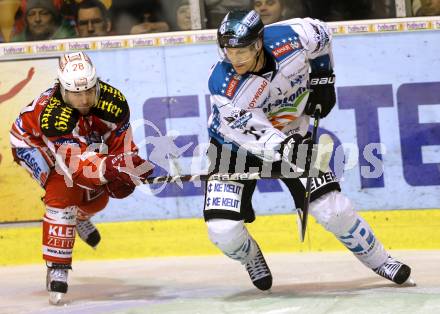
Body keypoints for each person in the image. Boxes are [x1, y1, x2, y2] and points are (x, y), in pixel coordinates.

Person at [204, 10, 414, 291]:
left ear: (258, 43)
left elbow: (322, 34)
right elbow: (253, 133)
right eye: (229, 51)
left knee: (333, 210)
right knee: (223, 231)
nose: (236, 58)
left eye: (242, 50)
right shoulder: (224, 84)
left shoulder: (293, 37)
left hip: (292, 134)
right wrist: (286, 148)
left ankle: (381, 260)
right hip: (232, 147)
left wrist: (324, 76)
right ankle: (251, 257)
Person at [9, 51, 154, 304]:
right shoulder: (53, 115)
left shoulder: (114, 102)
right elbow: (76, 168)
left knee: (97, 200)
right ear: (62, 90)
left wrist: (128, 167)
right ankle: (58, 267)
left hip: (79, 145)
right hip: (31, 143)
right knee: (62, 190)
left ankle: (78, 216)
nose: (85, 99)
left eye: (89, 90)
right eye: (76, 93)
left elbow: (121, 145)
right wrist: (110, 167)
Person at [12, 0, 76, 42]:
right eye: (31, 14)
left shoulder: (69, 39)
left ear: (54, 17)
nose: (37, 19)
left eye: (44, 13)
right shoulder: (16, 42)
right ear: (26, 19)